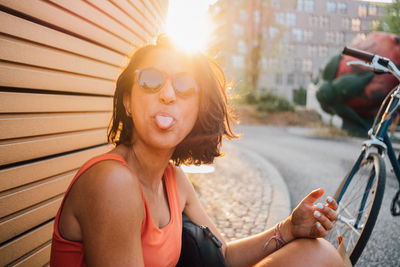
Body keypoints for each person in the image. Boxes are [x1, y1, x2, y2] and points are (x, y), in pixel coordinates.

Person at [50, 35, 343, 266]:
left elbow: (223, 256)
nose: (167, 95)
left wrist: (290, 229)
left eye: (184, 86)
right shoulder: (111, 182)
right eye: (150, 81)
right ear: (127, 102)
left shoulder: (172, 178)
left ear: (197, 112)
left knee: (319, 255)